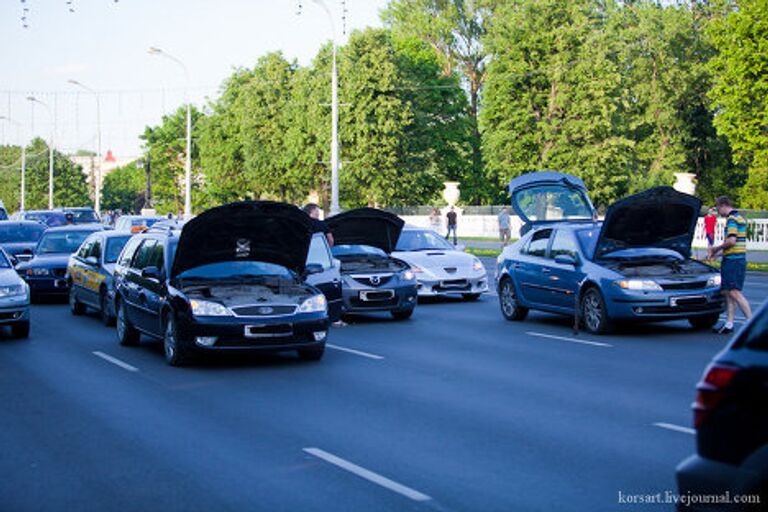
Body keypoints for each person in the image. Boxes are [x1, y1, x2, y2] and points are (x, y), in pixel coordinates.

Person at [708, 196, 752, 334]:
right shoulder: (739, 217)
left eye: (717, 208)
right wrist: (719, 255)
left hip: (733, 261)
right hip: (734, 258)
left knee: (734, 292)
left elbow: (732, 241)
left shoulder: (732, 220)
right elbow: (736, 246)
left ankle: (752, 324)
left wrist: (715, 249)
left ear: (722, 205)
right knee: (728, 292)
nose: (718, 212)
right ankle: (729, 324)